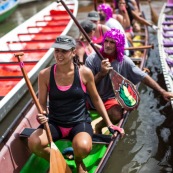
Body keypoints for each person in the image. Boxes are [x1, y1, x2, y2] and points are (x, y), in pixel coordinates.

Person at [27, 35, 124, 173]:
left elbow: (96, 99)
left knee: (83, 147)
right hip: (55, 122)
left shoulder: (84, 73)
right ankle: (58, 161)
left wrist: (109, 124)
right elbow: (41, 103)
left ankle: (78, 161)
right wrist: (41, 115)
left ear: (73, 52)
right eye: (57, 51)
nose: (59, 55)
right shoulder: (45, 74)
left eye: (64, 51)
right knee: (34, 143)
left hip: (79, 122)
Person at [85, 28, 173, 134]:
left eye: (112, 42)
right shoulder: (92, 59)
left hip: (110, 99)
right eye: (106, 41)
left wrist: (162, 92)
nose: (107, 45)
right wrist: (101, 74)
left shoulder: (125, 61)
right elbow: (87, 86)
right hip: (92, 98)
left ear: (118, 45)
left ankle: (99, 126)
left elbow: (143, 76)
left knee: (117, 115)